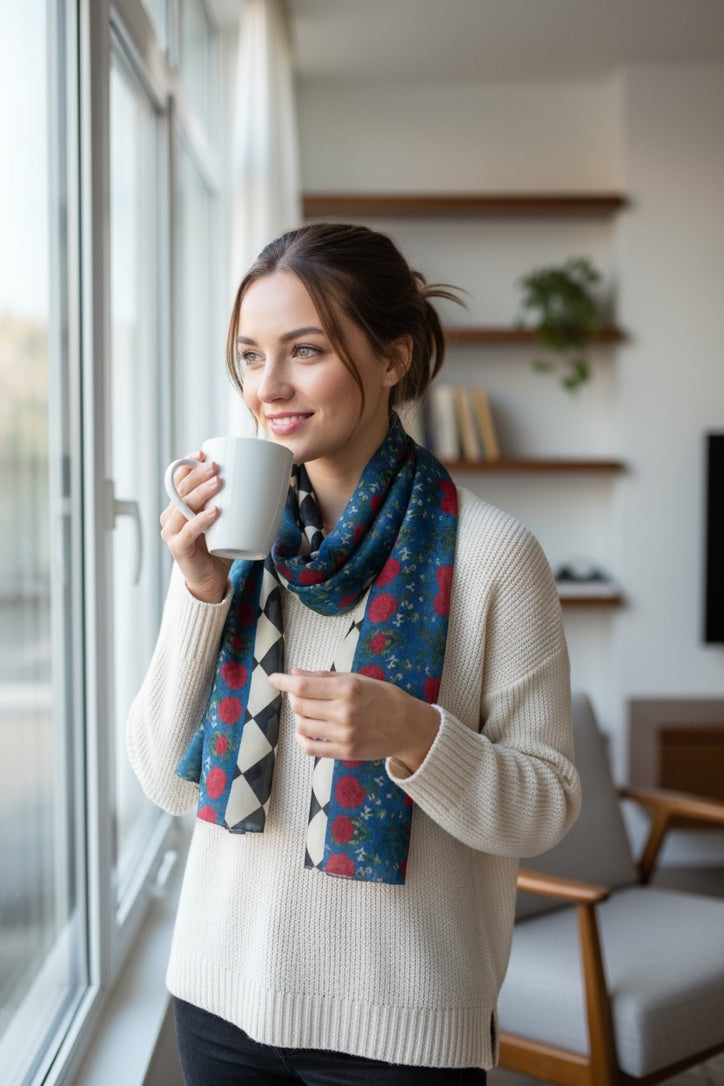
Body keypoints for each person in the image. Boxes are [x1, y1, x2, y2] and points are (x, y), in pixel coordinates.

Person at [126, 222, 581, 1085]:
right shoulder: (239, 542)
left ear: (391, 359)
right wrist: (197, 589)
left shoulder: (492, 556)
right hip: (218, 998)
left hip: (403, 1026)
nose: (271, 387)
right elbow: (165, 778)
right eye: (251, 356)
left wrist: (418, 735)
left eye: (305, 350)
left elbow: (547, 809)